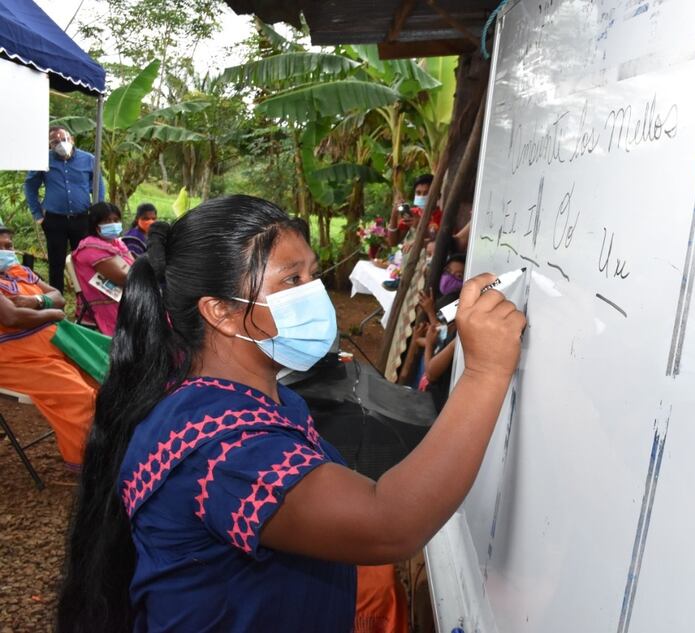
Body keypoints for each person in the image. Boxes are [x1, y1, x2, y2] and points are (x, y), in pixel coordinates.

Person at [58, 195, 524, 633]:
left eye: (313, 275)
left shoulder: (251, 398)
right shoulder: (220, 449)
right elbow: (387, 524)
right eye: (291, 280)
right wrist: (484, 372)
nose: (314, 293)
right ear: (220, 312)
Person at [0, 224, 97, 469]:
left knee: (103, 375)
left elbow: (58, 295)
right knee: (81, 397)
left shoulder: (16, 270)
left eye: (8, 246)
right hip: (15, 357)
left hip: (54, 343)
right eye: (0, 247)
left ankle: (109, 448)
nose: (6, 251)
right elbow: (12, 318)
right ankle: (88, 462)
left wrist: (35, 301)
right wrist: (51, 313)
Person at [23, 126, 106, 293]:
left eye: (64, 139)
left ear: (72, 139)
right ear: (49, 145)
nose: (60, 143)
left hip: (82, 219)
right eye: (55, 141)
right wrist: (38, 214)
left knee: (83, 260)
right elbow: (30, 186)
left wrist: (97, 213)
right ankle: (57, 303)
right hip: (54, 220)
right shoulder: (43, 160)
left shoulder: (88, 159)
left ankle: (85, 300)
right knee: (56, 263)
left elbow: (98, 185)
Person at [72, 202, 135, 336]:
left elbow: (133, 269)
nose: (113, 224)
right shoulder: (91, 248)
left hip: (125, 294)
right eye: (107, 221)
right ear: (96, 225)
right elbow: (126, 278)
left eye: (116, 220)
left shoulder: (117, 243)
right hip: (108, 301)